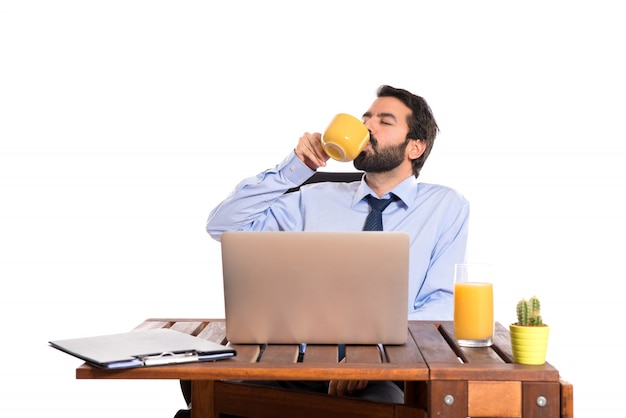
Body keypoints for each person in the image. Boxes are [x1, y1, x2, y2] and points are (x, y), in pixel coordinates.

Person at [175, 85, 469, 417]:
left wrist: (374, 351)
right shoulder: (313, 197)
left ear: (415, 146)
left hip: (382, 369)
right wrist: (295, 168)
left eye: (384, 121)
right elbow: (223, 227)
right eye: (365, 119)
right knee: (207, 407)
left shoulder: (445, 206)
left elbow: (442, 304)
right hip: (293, 363)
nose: (367, 127)